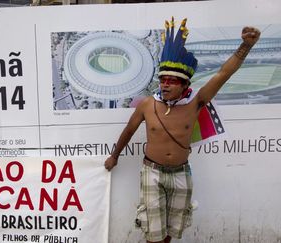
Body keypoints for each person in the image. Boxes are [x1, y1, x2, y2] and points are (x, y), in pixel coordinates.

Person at [104, 18, 260, 243]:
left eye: (171, 81)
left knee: (171, 231)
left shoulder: (196, 102)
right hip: (152, 172)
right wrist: (115, 156)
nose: (165, 84)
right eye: (162, 80)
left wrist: (245, 46)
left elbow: (222, 75)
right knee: (153, 231)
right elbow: (128, 130)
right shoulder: (148, 104)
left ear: (184, 85)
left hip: (180, 172)